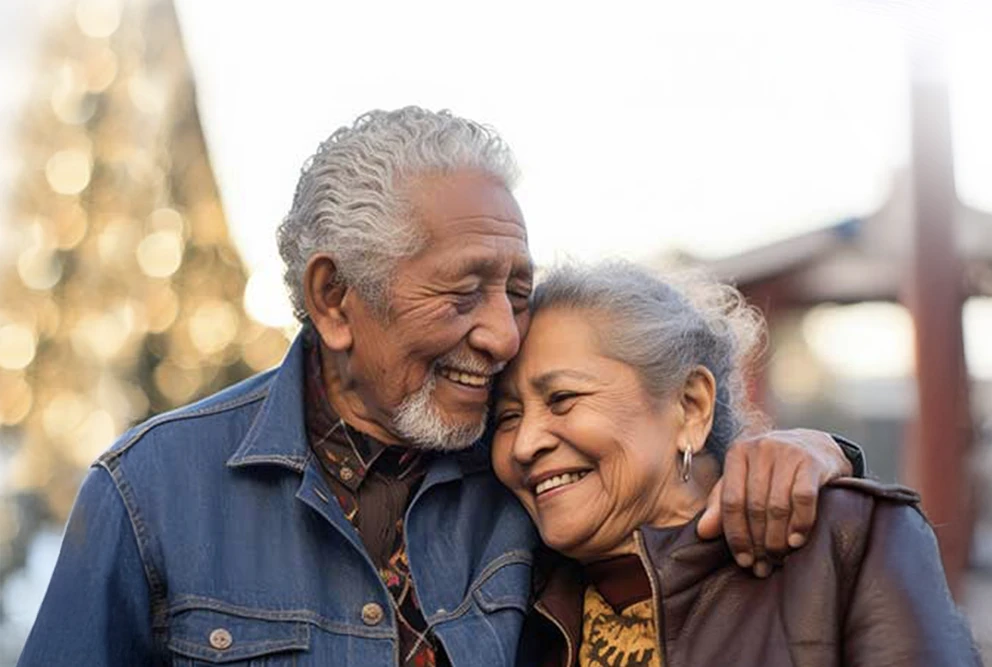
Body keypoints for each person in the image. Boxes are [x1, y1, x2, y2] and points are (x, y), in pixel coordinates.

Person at [19, 108, 865, 667]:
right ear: (334, 298)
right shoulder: (151, 491)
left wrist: (805, 451)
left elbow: (673, 505)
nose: (502, 332)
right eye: (464, 290)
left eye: (518, 289)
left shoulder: (531, 478)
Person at [491, 261, 981, 667]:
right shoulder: (502, 595)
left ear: (690, 405)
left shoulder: (845, 539)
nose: (524, 444)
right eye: (507, 417)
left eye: (562, 398)